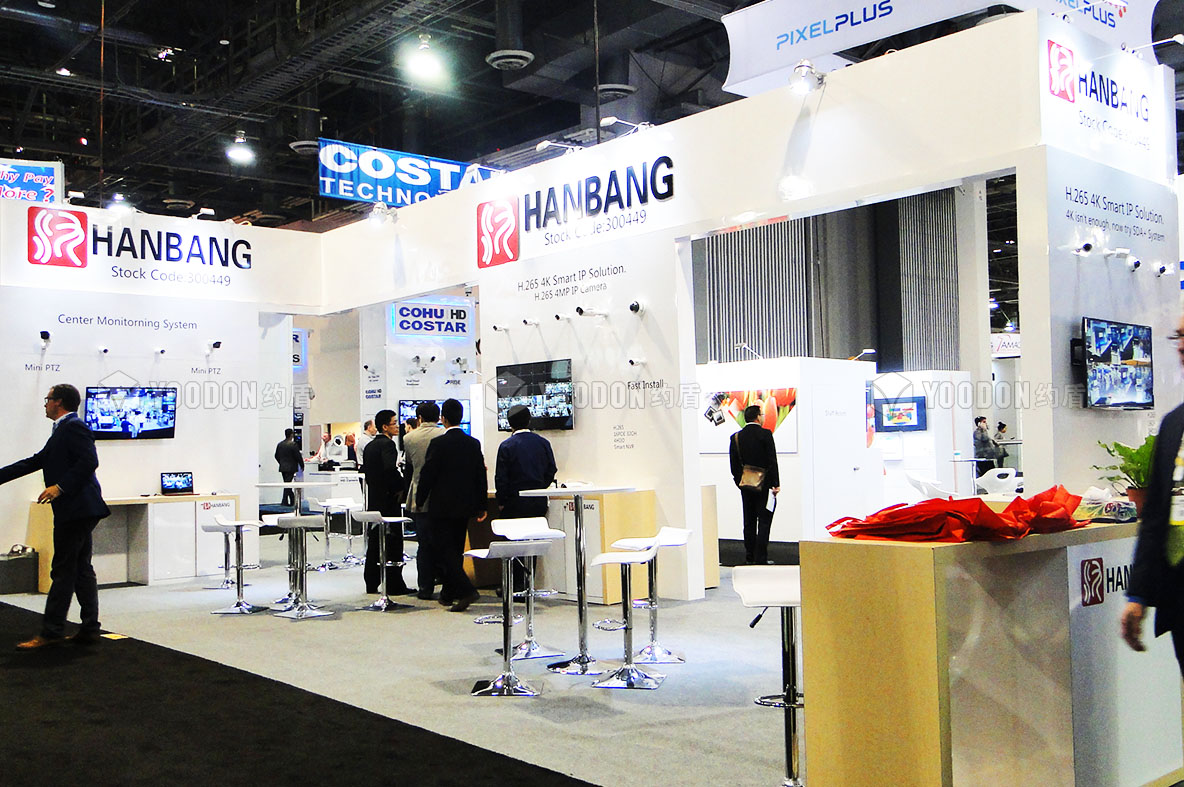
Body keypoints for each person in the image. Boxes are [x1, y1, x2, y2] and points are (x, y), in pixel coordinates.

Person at [0, 384, 111, 649]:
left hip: (76, 509)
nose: (45, 404)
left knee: (63, 570)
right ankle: (90, 629)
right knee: (81, 569)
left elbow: (89, 462)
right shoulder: (62, 429)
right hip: (80, 509)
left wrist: (59, 487)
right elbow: (37, 460)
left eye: (47, 399)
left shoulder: (74, 427)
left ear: (58, 402)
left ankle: (51, 632)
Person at [1122, 316, 1184, 672]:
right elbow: (1156, 517)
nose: (1181, 345)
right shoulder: (1173, 425)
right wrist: (1139, 595)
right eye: (1179, 336)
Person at [415, 398, 487, 612]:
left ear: (443, 419)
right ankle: (448, 592)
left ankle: (467, 590)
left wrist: (420, 499)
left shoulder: (438, 444)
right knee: (455, 548)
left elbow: (428, 473)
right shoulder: (473, 443)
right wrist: (481, 505)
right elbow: (480, 475)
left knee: (442, 549)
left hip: (442, 506)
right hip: (464, 505)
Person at [494, 404, 558, 591]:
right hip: (537, 501)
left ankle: (513, 586)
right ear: (529, 420)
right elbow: (551, 470)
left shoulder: (506, 446)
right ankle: (528, 585)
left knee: (513, 545)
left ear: (509, 424)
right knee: (532, 545)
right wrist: (540, 487)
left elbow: (501, 478)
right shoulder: (543, 443)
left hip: (514, 503)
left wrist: (502, 502)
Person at [361, 409, 412, 596]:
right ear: (384, 426)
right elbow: (390, 470)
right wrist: (401, 487)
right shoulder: (388, 445)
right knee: (393, 541)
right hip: (389, 500)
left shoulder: (369, 446)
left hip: (374, 499)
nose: (397, 426)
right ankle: (394, 583)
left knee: (374, 541)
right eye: (394, 423)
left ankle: (371, 581)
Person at [403, 402, 446, 600]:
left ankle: (425, 587)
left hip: (419, 496)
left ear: (419, 418)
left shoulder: (409, 438)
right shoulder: (444, 435)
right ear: (439, 417)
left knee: (424, 544)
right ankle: (446, 583)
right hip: (443, 496)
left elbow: (410, 467)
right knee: (445, 542)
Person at [729, 404, 780, 565]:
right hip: (764, 485)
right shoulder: (765, 435)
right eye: (762, 414)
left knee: (748, 521)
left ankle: (749, 556)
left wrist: (739, 481)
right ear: (758, 417)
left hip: (746, 485)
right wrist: (775, 483)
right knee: (764, 521)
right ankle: (761, 558)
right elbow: (772, 460)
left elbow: (734, 465)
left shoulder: (736, 437)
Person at [274, 428, 304, 509]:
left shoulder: (280, 444)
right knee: (288, 484)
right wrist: (302, 465)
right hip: (291, 467)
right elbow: (298, 456)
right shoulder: (293, 445)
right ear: (291, 435)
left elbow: (276, 455)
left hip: (283, 467)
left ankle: (290, 500)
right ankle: (286, 500)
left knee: (287, 483)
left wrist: (281, 462)